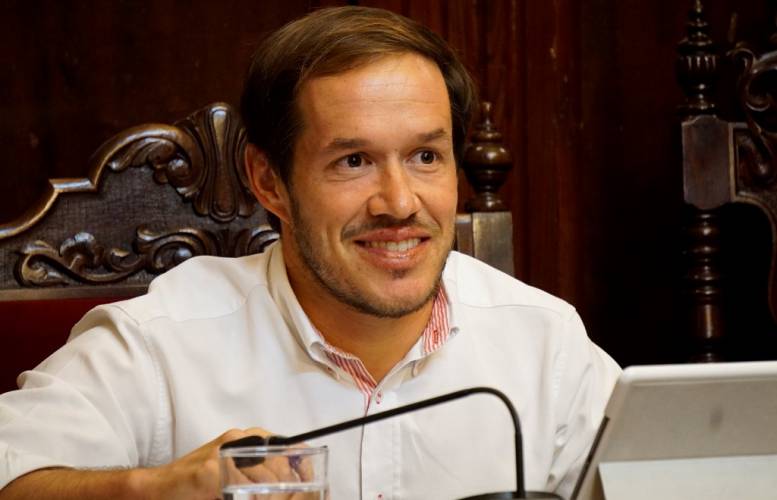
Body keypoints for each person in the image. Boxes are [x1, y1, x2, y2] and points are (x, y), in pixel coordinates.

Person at [0, 6, 619, 500]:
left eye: (425, 156)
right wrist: (155, 489)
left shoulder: (545, 342)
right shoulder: (158, 341)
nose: (400, 203)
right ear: (269, 182)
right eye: (353, 161)